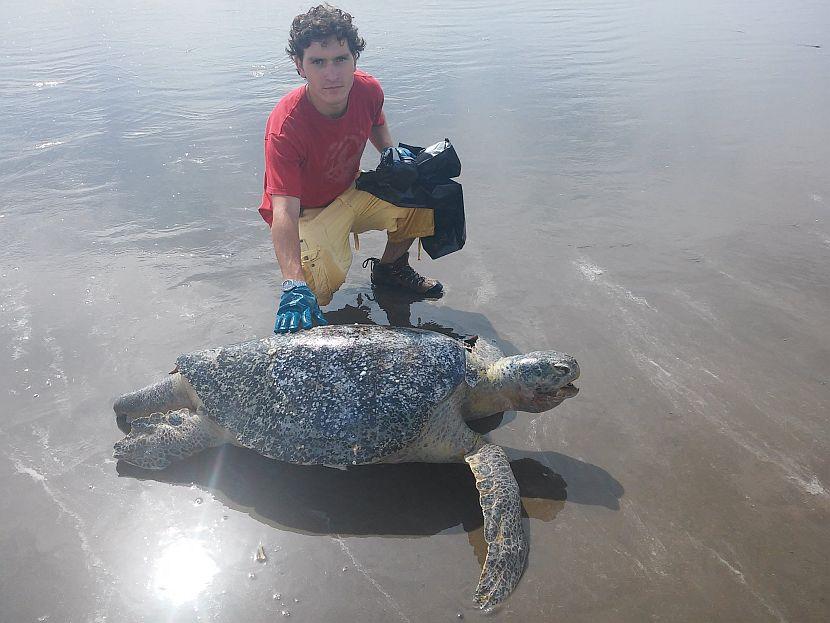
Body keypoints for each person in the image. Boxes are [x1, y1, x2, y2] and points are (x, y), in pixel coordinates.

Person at [259, 4, 444, 334]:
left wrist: (391, 154)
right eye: (318, 62)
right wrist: (292, 283)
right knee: (314, 292)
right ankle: (301, 301)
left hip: (350, 190)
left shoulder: (368, 89)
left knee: (422, 191)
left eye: (340, 59)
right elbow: (283, 210)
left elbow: (376, 122)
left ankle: (391, 271)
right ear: (299, 65)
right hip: (308, 213)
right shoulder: (286, 127)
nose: (332, 74)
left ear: (354, 58)